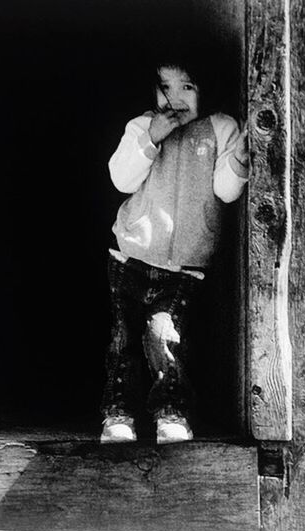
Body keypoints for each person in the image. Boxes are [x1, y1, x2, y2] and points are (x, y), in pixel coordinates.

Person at [100, 55, 249, 444]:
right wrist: (150, 139)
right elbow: (121, 178)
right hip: (132, 256)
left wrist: (241, 161)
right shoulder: (141, 126)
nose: (175, 98)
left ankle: (171, 414)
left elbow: (225, 191)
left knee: (164, 336)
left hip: (183, 264)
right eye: (165, 87)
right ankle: (119, 416)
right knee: (123, 340)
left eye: (187, 87)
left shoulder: (221, 128)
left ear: (207, 89)